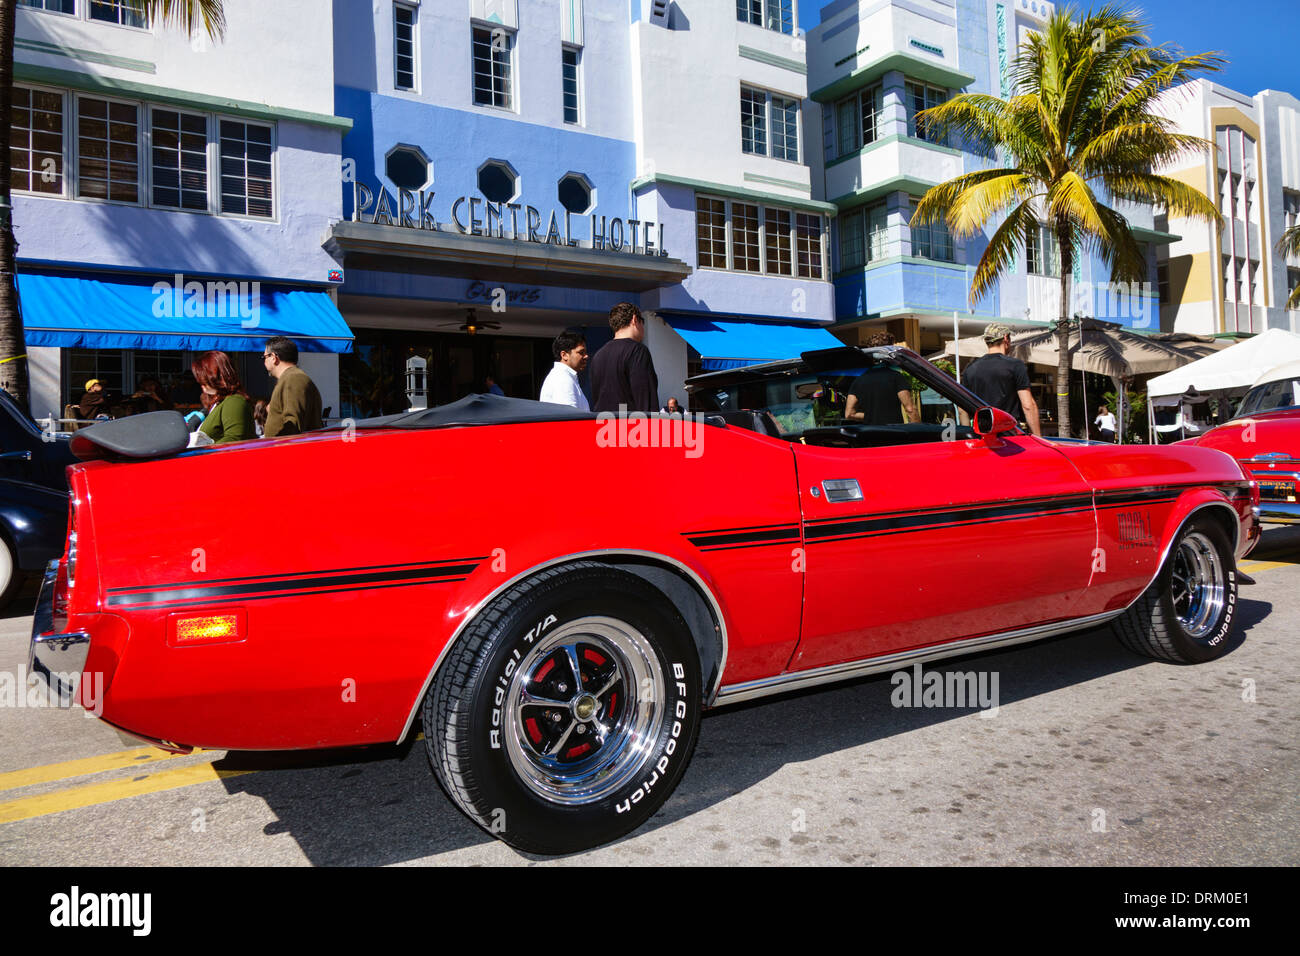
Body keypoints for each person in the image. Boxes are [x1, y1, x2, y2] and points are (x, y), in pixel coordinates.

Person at [960, 322, 1042, 437]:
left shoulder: (970, 369)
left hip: (983, 437)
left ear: (987, 341)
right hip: (1009, 436)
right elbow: (1028, 405)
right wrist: (1038, 438)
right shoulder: (1015, 365)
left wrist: (970, 435)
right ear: (1005, 338)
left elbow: (962, 410)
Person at [588, 302, 659, 414]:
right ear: (634, 320)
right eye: (643, 321)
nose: (643, 327)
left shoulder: (598, 355)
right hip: (630, 428)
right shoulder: (637, 351)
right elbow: (646, 401)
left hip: (602, 427)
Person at [844, 331, 916, 424]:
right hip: (894, 434)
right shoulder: (896, 377)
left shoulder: (859, 380)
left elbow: (849, 414)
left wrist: (872, 416)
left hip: (870, 435)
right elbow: (910, 409)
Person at [262, 336, 323, 437]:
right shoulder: (291, 378)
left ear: (273, 357)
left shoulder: (293, 378)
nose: (263, 361)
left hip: (285, 450)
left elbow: (293, 425)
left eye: (264, 357)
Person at [192, 351, 254, 444]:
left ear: (216, 377)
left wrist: (206, 449)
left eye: (203, 379)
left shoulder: (234, 401)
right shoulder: (222, 402)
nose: (201, 384)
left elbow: (235, 439)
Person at [539, 332, 590, 410]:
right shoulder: (562, 379)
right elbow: (570, 417)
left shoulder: (564, 376)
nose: (586, 356)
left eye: (585, 352)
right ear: (564, 355)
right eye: (581, 352)